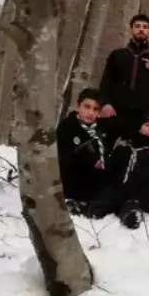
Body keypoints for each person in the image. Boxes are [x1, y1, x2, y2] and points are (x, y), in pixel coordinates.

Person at [57, 88, 125, 219]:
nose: (90, 113)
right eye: (87, 107)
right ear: (78, 106)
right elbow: (64, 159)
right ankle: (76, 203)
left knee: (116, 193)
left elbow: (123, 126)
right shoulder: (68, 126)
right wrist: (91, 162)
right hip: (73, 179)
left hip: (98, 180)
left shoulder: (101, 126)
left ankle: (95, 208)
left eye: (95, 109)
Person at [99, 14, 149, 131]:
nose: (141, 29)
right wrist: (105, 103)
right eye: (137, 26)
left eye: (145, 27)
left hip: (143, 115)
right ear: (131, 29)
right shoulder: (117, 55)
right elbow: (106, 82)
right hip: (116, 111)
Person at [116, 111, 149, 229]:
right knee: (109, 196)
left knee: (131, 202)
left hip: (148, 193)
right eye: (147, 125)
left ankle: (132, 215)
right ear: (140, 128)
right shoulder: (128, 146)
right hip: (124, 188)